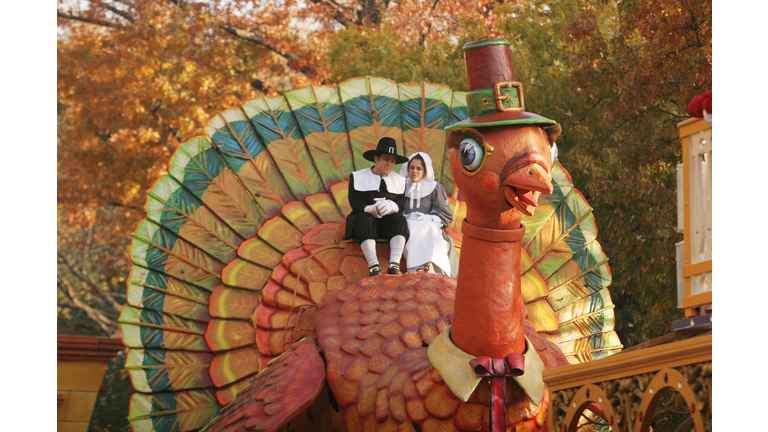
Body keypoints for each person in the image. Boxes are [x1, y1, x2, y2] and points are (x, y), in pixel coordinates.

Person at [345, 137, 410, 276]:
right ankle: (373, 265)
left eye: (393, 161)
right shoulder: (357, 177)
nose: (390, 164)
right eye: (386, 159)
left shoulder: (400, 181)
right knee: (364, 218)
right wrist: (369, 209)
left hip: (388, 226)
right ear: (376, 159)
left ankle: (394, 264)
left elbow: (401, 204)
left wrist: (392, 206)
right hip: (365, 225)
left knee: (399, 219)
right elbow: (355, 203)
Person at [399, 152, 458, 277]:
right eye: (412, 167)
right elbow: (396, 209)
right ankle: (415, 269)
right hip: (407, 224)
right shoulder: (401, 186)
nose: (414, 171)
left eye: (419, 168)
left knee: (430, 229)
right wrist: (408, 217)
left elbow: (445, 215)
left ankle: (433, 268)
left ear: (425, 171)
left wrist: (426, 218)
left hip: (430, 225)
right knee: (410, 227)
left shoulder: (434, 188)